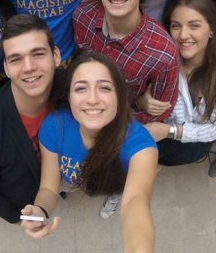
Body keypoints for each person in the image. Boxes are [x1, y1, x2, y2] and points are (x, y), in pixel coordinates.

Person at [20, 52, 157, 251]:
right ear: (69, 96)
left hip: (115, 183)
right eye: (81, 88)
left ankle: (113, 197)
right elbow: (49, 188)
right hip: (77, 181)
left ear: (119, 95)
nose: (92, 99)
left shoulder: (140, 143)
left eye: (104, 88)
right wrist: (40, 211)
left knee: (118, 192)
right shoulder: (54, 127)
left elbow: (135, 202)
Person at [0, 15, 62, 223]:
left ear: (56, 56)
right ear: (6, 68)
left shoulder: (73, 90)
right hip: (26, 197)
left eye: (38, 54)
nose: (29, 67)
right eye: (16, 59)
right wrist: (21, 218)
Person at [73, 0, 179, 130]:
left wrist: (132, 109)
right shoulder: (82, 18)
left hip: (122, 131)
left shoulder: (163, 55)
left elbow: (160, 112)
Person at [142, 0, 216, 166]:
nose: (183, 35)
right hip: (155, 133)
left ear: (212, 29)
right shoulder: (161, 60)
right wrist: (142, 101)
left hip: (192, 144)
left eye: (194, 26)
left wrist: (171, 131)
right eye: (176, 26)